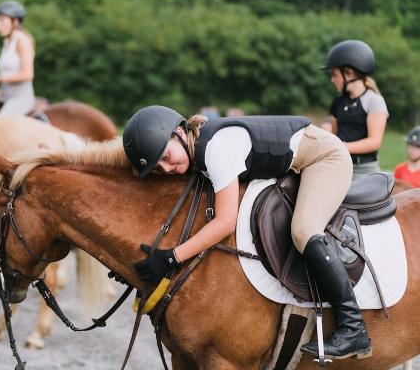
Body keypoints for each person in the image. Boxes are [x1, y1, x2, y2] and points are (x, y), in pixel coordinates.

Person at [122, 105, 371, 360]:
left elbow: (225, 222)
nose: (167, 168)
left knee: (304, 230)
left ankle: (353, 328)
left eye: (165, 157)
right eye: (158, 168)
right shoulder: (197, 149)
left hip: (324, 157)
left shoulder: (217, 150)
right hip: (295, 163)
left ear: (179, 133)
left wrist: (171, 257)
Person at [325, 40, 389, 180]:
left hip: (364, 170)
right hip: (339, 164)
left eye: (335, 74)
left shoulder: (374, 101)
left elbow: (374, 142)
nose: (332, 79)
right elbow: (335, 134)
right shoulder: (338, 101)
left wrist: (342, 147)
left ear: (348, 74)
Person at [0, 0, 36, 117]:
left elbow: (28, 74)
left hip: (20, 99)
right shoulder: (7, 41)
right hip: (4, 96)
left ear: (15, 22)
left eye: (2, 20)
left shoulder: (22, 40)